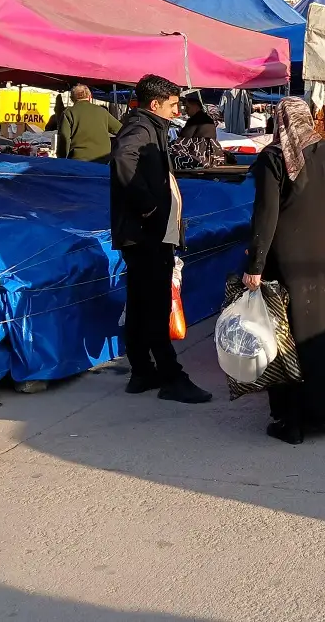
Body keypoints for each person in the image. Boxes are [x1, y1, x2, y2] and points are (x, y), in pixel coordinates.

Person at [244, 96, 325, 444]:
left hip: (291, 259)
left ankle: (293, 421)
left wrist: (255, 265)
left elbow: (266, 215)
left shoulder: (275, 158)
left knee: (292, 336)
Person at [110, 75, 212, 404]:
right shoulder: (140, 128)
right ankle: (171, 376)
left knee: (141, 303)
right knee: (155, 305)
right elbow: (123, 159)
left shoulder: (150, 127)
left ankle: (141, 371)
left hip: (146, 233)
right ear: (155, 104)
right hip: (146, 234)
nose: (176, 110)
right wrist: (149, 206)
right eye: (172, 104)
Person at [57, 84, 122, 163]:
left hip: (78, 159)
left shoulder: (68, 113)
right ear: (90, 97)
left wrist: (61, 158)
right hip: (103, 158)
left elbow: (64, 139)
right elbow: (121, 130)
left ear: (72, 99)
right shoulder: (102, 111)